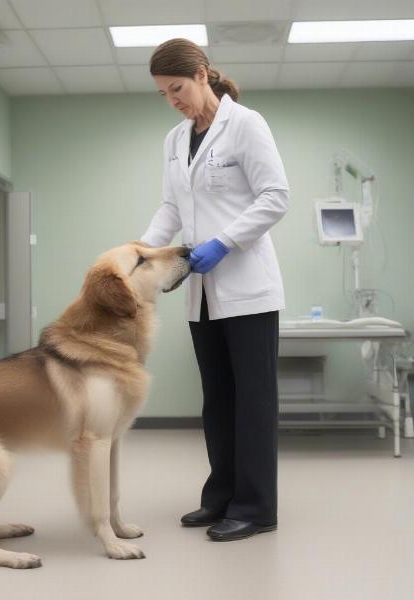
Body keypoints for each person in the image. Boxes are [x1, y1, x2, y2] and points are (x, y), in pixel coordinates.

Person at [140, 38, 289, 542]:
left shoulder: (246, 125)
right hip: (200, 292)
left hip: (248, 289)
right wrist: (141, 252)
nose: (172, 100)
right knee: (218, 401)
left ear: (202, 75)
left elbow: (276, 197)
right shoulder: (174, 139)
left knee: (252, 400)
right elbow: (170, 208)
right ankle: (221, 498)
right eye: (163, 93)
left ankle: (256, 507)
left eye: (176, 88)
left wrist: (224, 243)